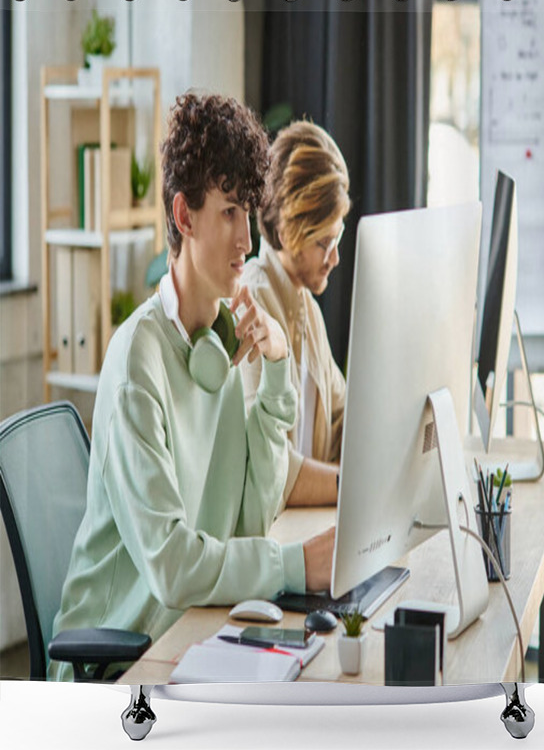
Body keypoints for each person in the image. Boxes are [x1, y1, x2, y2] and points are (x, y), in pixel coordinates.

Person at [50, 94, 334, 681]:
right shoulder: (139, 364)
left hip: (194, 631)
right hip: (123, 659)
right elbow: (175, 567)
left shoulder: (218, 339)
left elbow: (251, 514)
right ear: (184, 216)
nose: (247, 240)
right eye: (229, 212)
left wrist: (276, 367)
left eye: (248, 214)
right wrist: (292, 566)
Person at [240, 121, 349, 509]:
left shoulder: (308, 311)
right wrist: (352, 487)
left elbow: (341, 416)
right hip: (270, 545)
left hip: (304, 528)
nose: (335, 258)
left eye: (337, 239)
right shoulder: (251, 306)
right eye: (324, 243)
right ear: (288, 231)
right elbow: (274, 472)